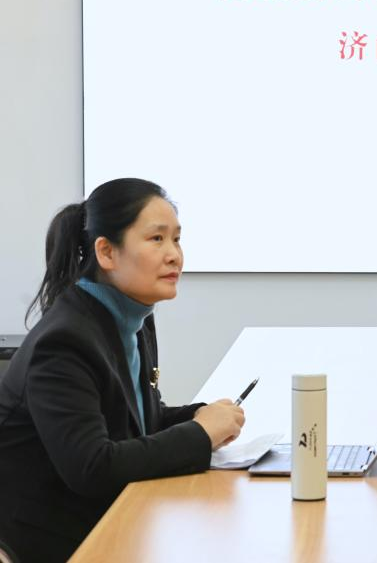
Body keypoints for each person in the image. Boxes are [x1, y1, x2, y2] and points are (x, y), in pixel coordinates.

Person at [0, 179, 245, 563]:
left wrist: (203, 416)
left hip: (112, 524)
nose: (174, 255)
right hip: (52, 543)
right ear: (107, 252)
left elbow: (138, 420)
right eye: (156, 239)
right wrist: (200, 433)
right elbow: (93, 467)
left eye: (177, 239)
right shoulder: (63, 342)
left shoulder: (134, 320)